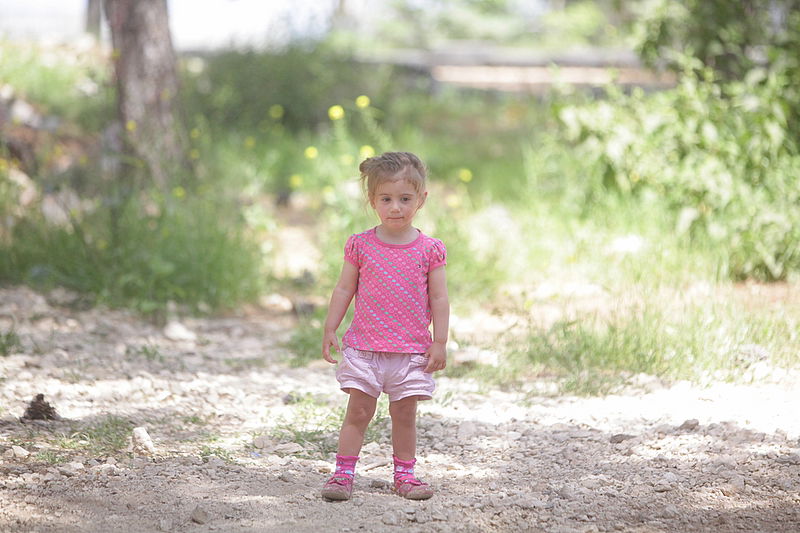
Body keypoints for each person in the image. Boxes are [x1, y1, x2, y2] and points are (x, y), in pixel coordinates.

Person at [320, 151, 449, 501]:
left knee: (404, 414)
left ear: (421, 199)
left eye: (405, 199)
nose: (396, 207)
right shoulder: (361, 245)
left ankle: (405, 476)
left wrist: (439, 342)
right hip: (365, 349)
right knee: (359, 411)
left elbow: (439, 299)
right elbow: (345, 287)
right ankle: (343, 474)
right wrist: (331, 326)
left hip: (410, 353)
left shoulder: (429, 250)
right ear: (373, 200)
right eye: (386, 199)